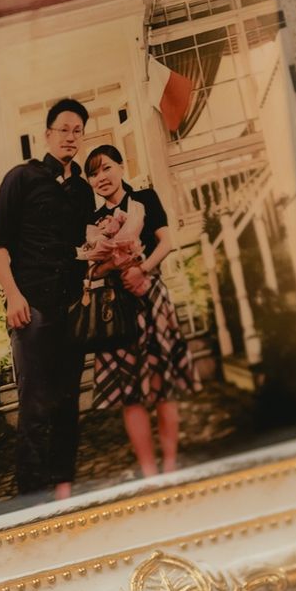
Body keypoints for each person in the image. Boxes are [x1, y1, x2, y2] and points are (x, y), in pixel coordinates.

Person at [0, 99, 95, 500]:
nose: (71, 137)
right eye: (63, 129)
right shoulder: (21, 178)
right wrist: (13, 296)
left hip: (71, 309)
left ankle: (64, 490)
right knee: (34, 407)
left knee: (67, 403)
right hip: (31, 308)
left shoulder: (82, 191)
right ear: (47, 134)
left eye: (77, 131)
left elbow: (81, 247)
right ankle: (33, 498)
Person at [82, 145, 197, 478]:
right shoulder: (92, 221)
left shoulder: (145, 199)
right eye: (93, 174)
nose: (101, 177)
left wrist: (141, 269)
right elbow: (91, 270)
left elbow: (166, 242)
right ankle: (149, 472)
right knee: (130, 395)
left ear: (121, 166)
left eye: (106, 168)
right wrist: (114, 265)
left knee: (162, 387)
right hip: (115, 308)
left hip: (150, 297)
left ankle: (170, 465)